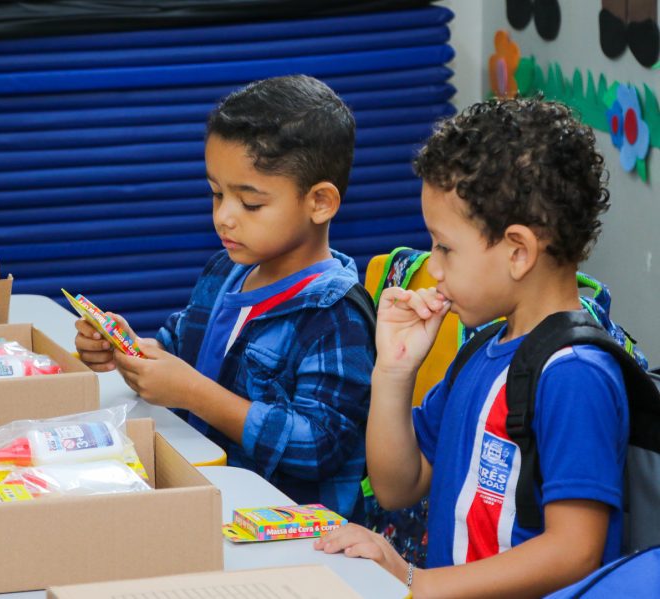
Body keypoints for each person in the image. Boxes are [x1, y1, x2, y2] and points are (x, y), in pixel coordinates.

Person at [314, 98, 629, 597]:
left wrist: (419, 582)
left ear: (518, 252)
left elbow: (576, 550)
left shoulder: (574, 373)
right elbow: (398, 486)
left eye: (444, 247)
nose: (433, 268)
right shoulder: (483, 348)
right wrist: (393, 373)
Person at [74, 75, 375, 520]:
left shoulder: (335, 313)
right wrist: (127, 349)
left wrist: (197, 394)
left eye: (250, 203)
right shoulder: (226, 271)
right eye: (216, 193)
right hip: (208, 498)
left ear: (321, 202)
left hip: (289, 529)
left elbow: (319, 444)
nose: (224, 217)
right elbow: (179, 348)